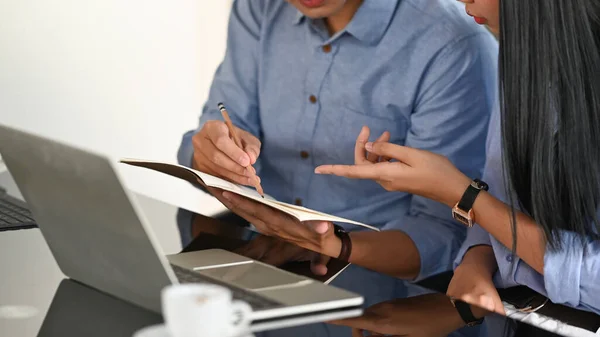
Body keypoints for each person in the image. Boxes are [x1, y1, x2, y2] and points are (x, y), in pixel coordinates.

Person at [263, 0, 599, 335]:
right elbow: (503, 196)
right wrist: (476, 261)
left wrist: (460, 193)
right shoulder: (520, 57)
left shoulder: (459, 43)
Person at [178, 0, 498, 336]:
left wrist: (338, 245)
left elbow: (448, 229)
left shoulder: (453, 44)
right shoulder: (258, 7)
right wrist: (209, 157)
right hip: (260, 266)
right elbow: (216, 130)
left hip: (380, 293)